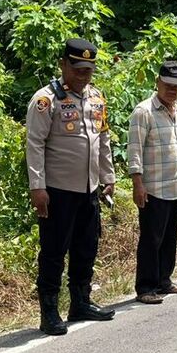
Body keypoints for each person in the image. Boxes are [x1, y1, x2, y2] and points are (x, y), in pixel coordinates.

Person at [25, 38, 117, 335]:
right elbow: (35, 144)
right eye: (77, 68)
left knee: (86, 247)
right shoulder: (45, 100)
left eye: (88, 69)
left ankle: (80, 302)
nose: (83, 75)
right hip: (58, 190)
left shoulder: (96, 97)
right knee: (53, 251)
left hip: (89, 188)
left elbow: (103, 140)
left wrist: (109, 176)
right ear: (63, 64)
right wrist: (37, 187)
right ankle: (49, 312)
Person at [128, 60, 177, 304]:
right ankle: (145, 287)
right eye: (168, 84)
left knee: (169, 236)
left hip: (174, 185)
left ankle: (164, 281)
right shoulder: (144, 111)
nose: (172, 90)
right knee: (151, 238)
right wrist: (137, 183)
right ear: (157, 82)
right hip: (153, 187)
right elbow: (134, 149)